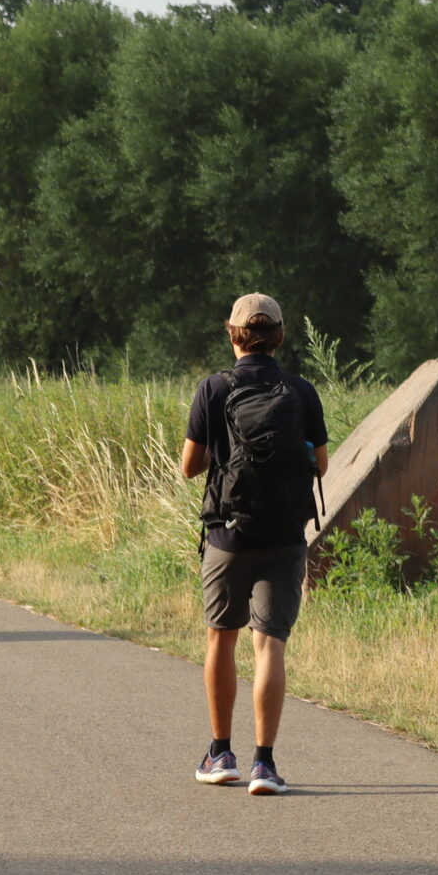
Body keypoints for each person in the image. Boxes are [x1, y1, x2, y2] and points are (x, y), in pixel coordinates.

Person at [180, 293, 329, 796]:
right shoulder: (302, 391)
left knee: (222, 637)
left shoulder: (214, 389)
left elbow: (189, 466)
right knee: (270, 645)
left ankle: (221, 753)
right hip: (285, 536)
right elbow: (321, 464)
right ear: (281, 336)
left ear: (233, 333)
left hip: (227, 534)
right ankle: (264, 764)